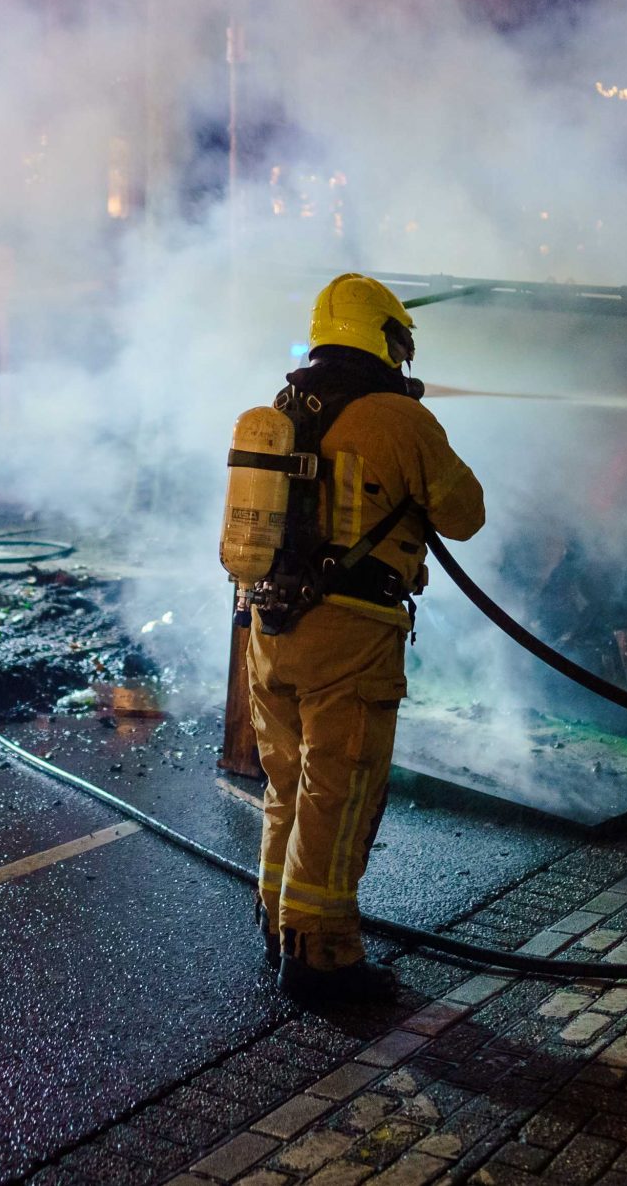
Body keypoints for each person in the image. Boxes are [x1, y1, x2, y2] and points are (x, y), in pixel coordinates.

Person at [247, 273, 484, 1005]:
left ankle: (278, 923)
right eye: (400, 343)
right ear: (381, 336)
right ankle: (322, 958)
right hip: (349, 635)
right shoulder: (398, 420)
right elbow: (465, 514)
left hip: (269, 629)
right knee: (340, 792)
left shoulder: (284, 409)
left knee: (288, 787)